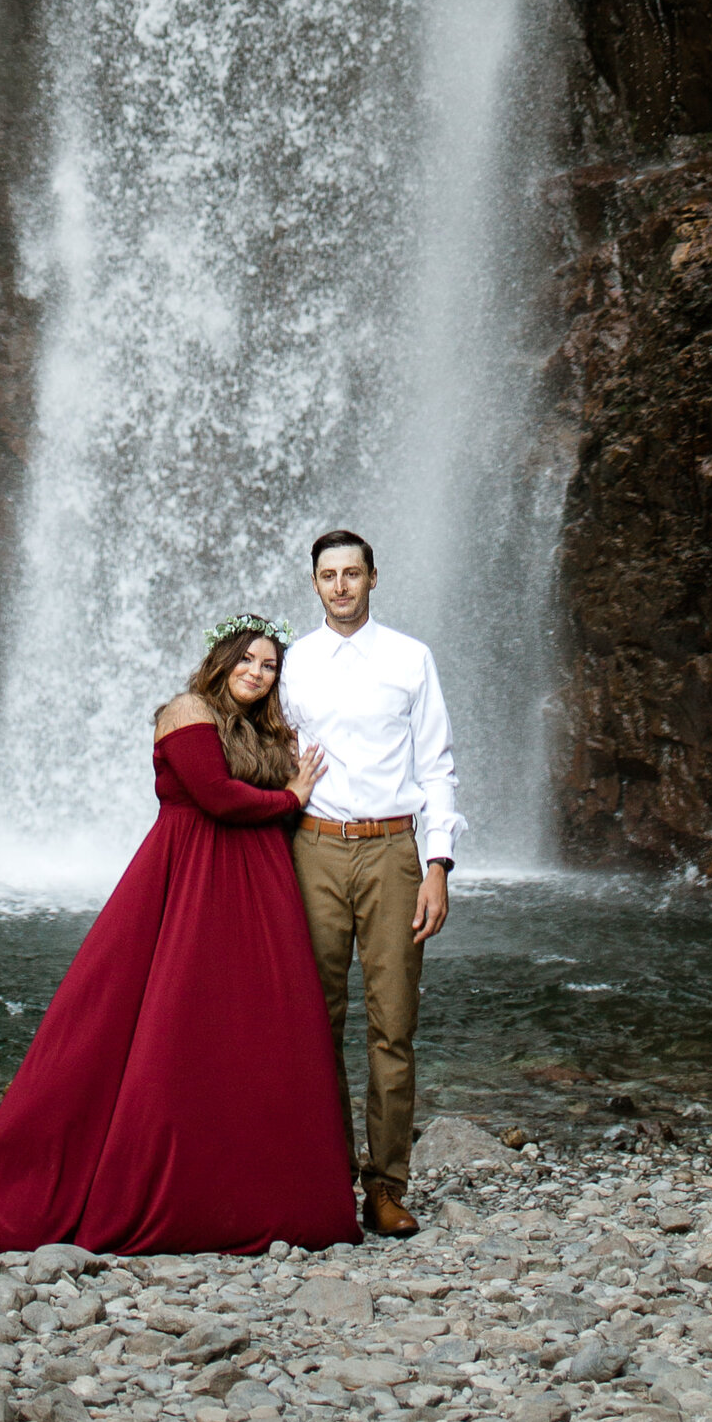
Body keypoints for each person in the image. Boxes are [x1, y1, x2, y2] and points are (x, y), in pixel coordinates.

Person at [0, 616, 360, 1255]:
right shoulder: (186, 710)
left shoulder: (260, 729)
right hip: (186, 882)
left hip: (254, 890)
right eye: (247, 659)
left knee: (245, 1033)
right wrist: (291, 798)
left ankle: (258, 1193)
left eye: (270, 665)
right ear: (222, 660)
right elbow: (218, 798)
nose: (258, 671)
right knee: (142, 1024)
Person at [276, 530, 462, 1240]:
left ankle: (386, 1186)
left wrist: (437, 867)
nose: (341, 586)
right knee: (314, 1024)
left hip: (392, 851)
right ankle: (321, 1179)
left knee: (393, 1026)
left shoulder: (410, 658)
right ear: (315, 584)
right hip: (315, 850)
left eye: (353, 573)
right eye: (329, 575)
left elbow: (437, 765)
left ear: (374, 580)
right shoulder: (291, 663)